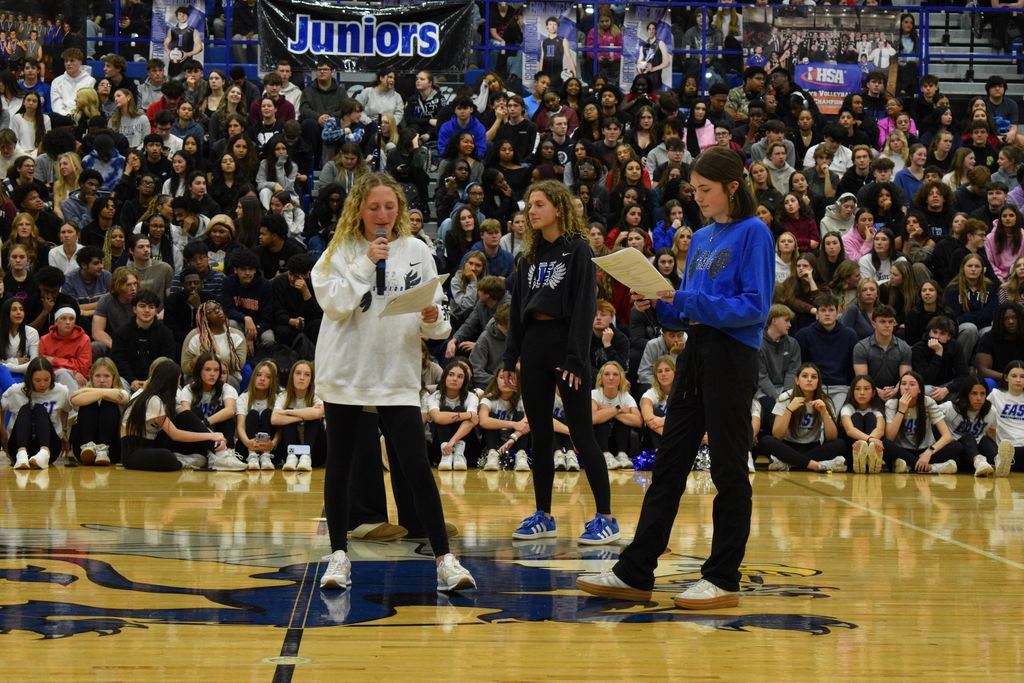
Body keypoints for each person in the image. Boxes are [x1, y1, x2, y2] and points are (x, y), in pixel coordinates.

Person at [577, 147, 774, 609]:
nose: (698, 198)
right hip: (695, 355)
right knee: (668, 466)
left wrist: (682, 301)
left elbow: (753, 308)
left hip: (733, 358)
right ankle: (635, 571)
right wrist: (660, 303)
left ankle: (723, 577)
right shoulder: (703, 238)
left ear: (731, 186)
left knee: (728, 470)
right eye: (695, 190)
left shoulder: (755, 233)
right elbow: (690, 306)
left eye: (706, 190)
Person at [310, 172, 475, 592]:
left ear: (399, 209)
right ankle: (338, 557)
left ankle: (445, 561)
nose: (382, 215)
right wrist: (368, 261)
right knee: (341, 467)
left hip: (397, 373)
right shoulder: (340, 251)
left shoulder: (417, 250)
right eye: (373, 207)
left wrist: (434, 319)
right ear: (358, 211)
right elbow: (336, 304)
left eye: (389, 206)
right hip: (347, 372)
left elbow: (437, 320)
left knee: (416, 466)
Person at [499, 179, 619, 545]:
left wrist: (575, 357)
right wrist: (509, 358)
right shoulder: (528, 257)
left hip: (566, 346)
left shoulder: (578, 249)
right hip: (534, 344)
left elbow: (585, 305)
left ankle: (606, 518)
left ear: (558, 208)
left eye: (538, 204)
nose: (531, 211)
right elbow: (518, 310)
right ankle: (544, 515)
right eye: (529, 205)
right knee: (540, 433)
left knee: (582, 434)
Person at [120, 358, 245, 472]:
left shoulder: (166, 398)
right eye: (178, 379)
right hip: (134, 451)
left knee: (187, 414)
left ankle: (220, 454)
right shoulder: (152, 400)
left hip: (152, 443)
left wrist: (215, 438)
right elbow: (175, 434)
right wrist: (211, 436)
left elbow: (188, 417)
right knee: (168, 458)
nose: (179, 383)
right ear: (169, 381)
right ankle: (185, 460)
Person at [761, 362, 848, 473]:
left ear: (818, 382)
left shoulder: (825, 400)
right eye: (805, 376)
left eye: (814, 377)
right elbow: (777, 435)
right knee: (766, 441)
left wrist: (825, 413)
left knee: (840, 444)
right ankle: (815, 465)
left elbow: (832, 438)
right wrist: (789, 410)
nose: (809, 380)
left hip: (812, 447)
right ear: (797, 380)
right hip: (788, 446)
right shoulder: (786, 397)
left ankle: (789, 463)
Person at [883, 370, 961, 474]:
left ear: (920, 389)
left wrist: (929, 452)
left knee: (957, 447)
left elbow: (947, 436)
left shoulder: (928, 402)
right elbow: (890, 437)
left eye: (912, 384)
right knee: (884, 444)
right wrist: (901, 410)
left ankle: (910, 466)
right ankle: (931, 468)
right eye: (903, 384)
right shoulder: (892, 404)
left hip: (925, 451)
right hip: (902, 451)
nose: (906, 387)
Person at [2, 357, 69, 469]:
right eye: (37, 380)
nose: (42, 384)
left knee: (39, 409)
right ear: (29, 379)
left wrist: (64, 432)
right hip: (19, 445)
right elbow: (1, 407)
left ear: (52, 377)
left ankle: (43, 453)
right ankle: (22, 454)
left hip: (50, 448)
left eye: (46, 380)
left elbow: (66, 410)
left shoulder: (61, 391)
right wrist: (2, 430)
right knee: (27, 408)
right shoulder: (16, 390)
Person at [69, 358, 129, 465]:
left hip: (112, 449)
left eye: (106, 376)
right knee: (89, 402)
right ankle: (88, 447)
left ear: (114, 377)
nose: (101, 380)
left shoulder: (121, 390)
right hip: (82, 448)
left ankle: (103, 450)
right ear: (91, 377)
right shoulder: (107, 391)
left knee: (108, 403)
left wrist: (87, 390)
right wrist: (104, 393)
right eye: (97, 376)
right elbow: (74, 400)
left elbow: (122, 397)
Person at [987, 361, 1024, 475]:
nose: (1018, 380)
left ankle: (1005, 466)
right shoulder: (995, 395)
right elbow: (985, 419)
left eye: (1022, 376)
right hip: (1005, 447)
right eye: (1014, 376)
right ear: (1006, 378)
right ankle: (1003, 463)